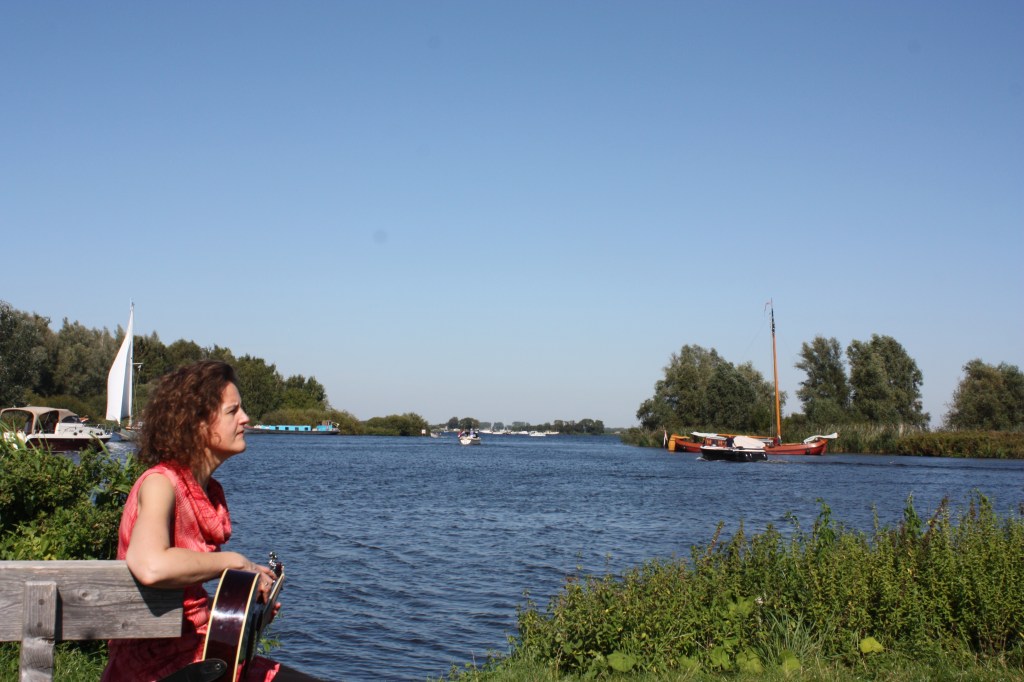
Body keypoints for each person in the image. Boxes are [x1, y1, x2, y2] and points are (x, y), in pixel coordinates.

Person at [102, 360, 320, 682]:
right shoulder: (160, 484)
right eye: (233, 411)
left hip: (199, 655)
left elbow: (191, 601)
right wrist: (234, 562)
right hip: (155, 669)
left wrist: (246, 615)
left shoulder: (208, 492)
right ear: (198, 424)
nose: (245, 418)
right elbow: (150, 566)